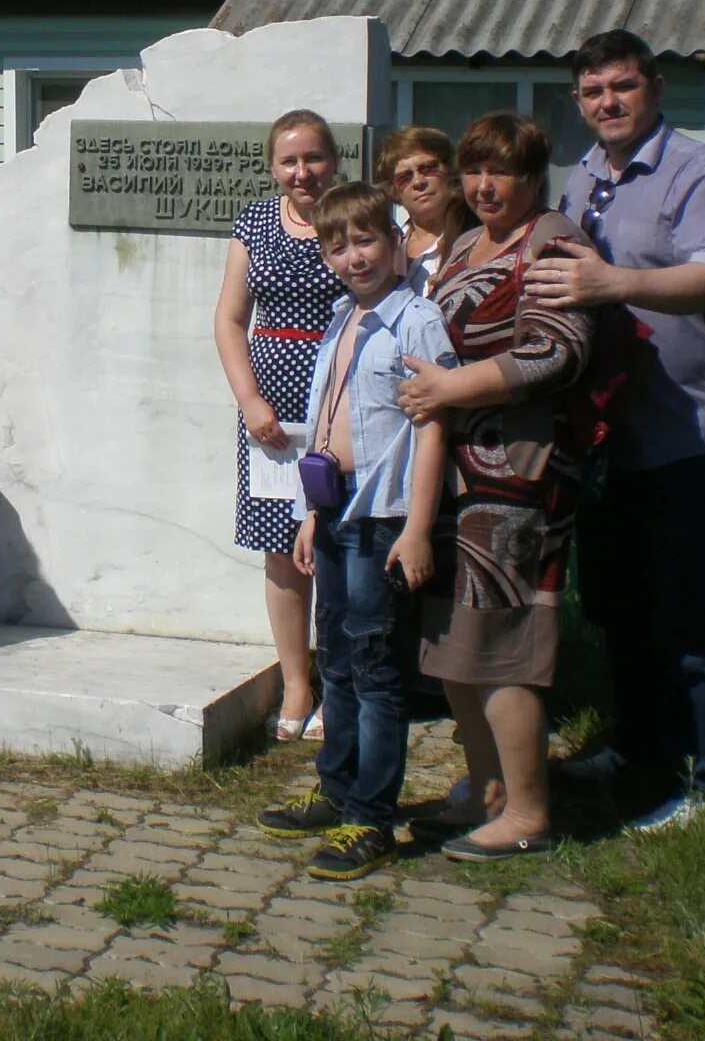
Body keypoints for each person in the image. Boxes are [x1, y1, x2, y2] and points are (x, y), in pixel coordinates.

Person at [528, 30, 705, 833]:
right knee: (621, 604)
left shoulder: (701, 173)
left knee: (691, 613)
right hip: (605, 432)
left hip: (684, 428)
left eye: (621, 87)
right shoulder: (582, 176)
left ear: (654, 89)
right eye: (592, 92)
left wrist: (612, 281)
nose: (607, 103)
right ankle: (642, 747)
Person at [395, 113, 595, 861]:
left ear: (533, 178)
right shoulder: (468, 245)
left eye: (500, 172)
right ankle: (487, 789)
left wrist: (450, 388)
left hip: (516, 473)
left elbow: (556, 353)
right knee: (455, 640)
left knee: (505, 642)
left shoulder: (551, 242)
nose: (483, 185)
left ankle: (531, 812)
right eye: (473, 170)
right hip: (454, 475)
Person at [258, 183, 454, 879]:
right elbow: (328, 427)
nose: (353, 257)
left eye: (366, 240)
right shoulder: (343, 320)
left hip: (385, 521)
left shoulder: (416, 322)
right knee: (335, 659)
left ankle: (372, 815)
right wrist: (311, 514)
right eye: (337, 246)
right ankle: (337, 789)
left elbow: (433, 427)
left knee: (376, 672)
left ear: (397, 242)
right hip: (336, 515)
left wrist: (419, 530)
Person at [213, 110, 346, 742]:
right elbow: (230, 319)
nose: (302, 172)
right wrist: (250, 402)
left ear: (335, 159)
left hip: (342, 404)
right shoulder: (256, 223)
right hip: (270, 416)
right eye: (289, 160)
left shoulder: (359, 218)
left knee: (342, 545)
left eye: (313, 157)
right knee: (281, 550)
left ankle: (344, 684)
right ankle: (297, 681)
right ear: (273, 166)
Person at [372, 126, 470, 296]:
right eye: (404, 178)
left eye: (428, 169)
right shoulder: (388, 245)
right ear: (394, 190)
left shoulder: (474, 239)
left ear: (450, 170)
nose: (418, 182)